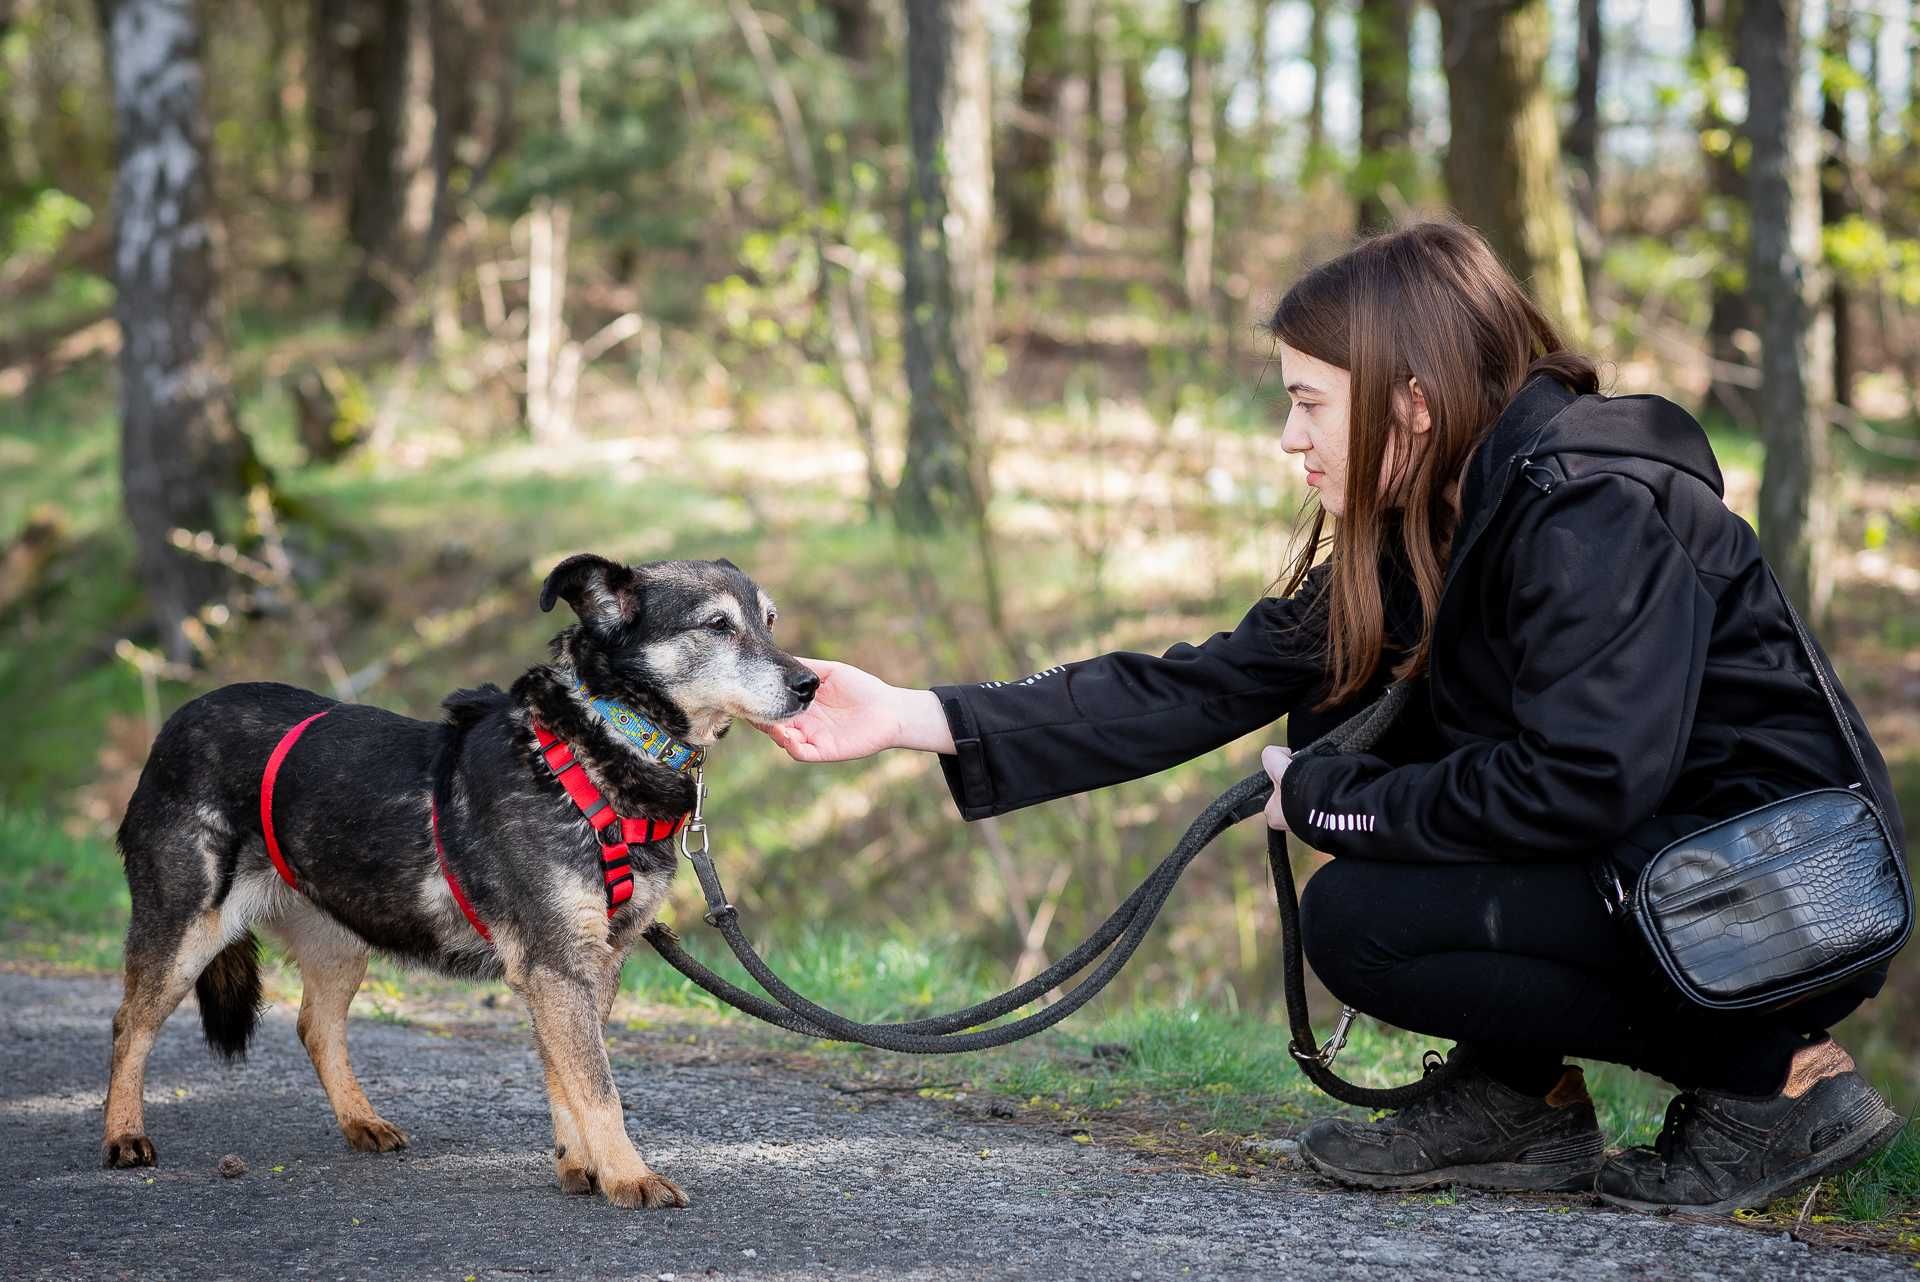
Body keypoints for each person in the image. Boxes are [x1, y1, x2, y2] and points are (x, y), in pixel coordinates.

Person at [753, 221, 1909, 1213]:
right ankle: (1521, 1099)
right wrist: (911, 714)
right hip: (1654, 873)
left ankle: (1775, 1080)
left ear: (1410, 399)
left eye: (1310, 402)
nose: (1289, 439)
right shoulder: (1436, 510)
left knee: (1361, 915)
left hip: (1776, 898)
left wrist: (1337, 802)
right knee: (1356, 773)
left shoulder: (1591, 510)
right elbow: (1204, 682)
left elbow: (1585, 780)